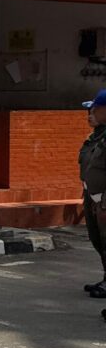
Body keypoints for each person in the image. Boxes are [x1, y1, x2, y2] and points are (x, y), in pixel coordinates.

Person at [79, 89, 106, 299]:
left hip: (104, 199)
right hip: (92, 196)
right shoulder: (96, 136)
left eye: (94, 109)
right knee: (98, 240)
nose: (90, 113)